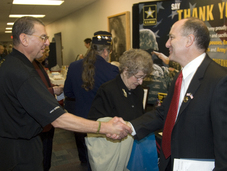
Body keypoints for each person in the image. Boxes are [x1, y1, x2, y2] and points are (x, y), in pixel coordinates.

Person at [0, 16, 131, 171]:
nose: (47, 43)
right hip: (20, 152)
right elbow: (57, 118)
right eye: (43, 37)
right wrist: (106, 127)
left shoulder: (14, 65)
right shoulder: (22, 73)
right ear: (24, 39)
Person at [129, 17, 227, 171]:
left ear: (189, 40)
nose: (167, 44)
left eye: (171, 37)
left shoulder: (221, 82)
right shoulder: (179, 77)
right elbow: (164, 114)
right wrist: (129, 127)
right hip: (171, 163)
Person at [86, 49, 154, 171]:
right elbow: (95, 123)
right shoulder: (107, 90)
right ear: (126, 70)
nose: (141, 82)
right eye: (138, 77)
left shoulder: (138, 90)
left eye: (143, 77)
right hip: (113, 151)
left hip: (133, 150)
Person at [64, 31, 119, 169]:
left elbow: (68, 92)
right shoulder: (112, 70)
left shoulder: (74, 66)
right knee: (99, 160)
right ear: (106, 51)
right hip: (101, 122)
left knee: (85, 159)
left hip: (79, 120)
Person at [32, 46, 63, 171]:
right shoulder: (30, 67)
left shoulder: (39, 65)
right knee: (41, 155)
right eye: (45, 51)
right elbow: (34, 92)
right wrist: (52, 90)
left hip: (47, 122)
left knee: (47, 152)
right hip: (41, 121)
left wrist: (53, 86)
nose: (46, 54)